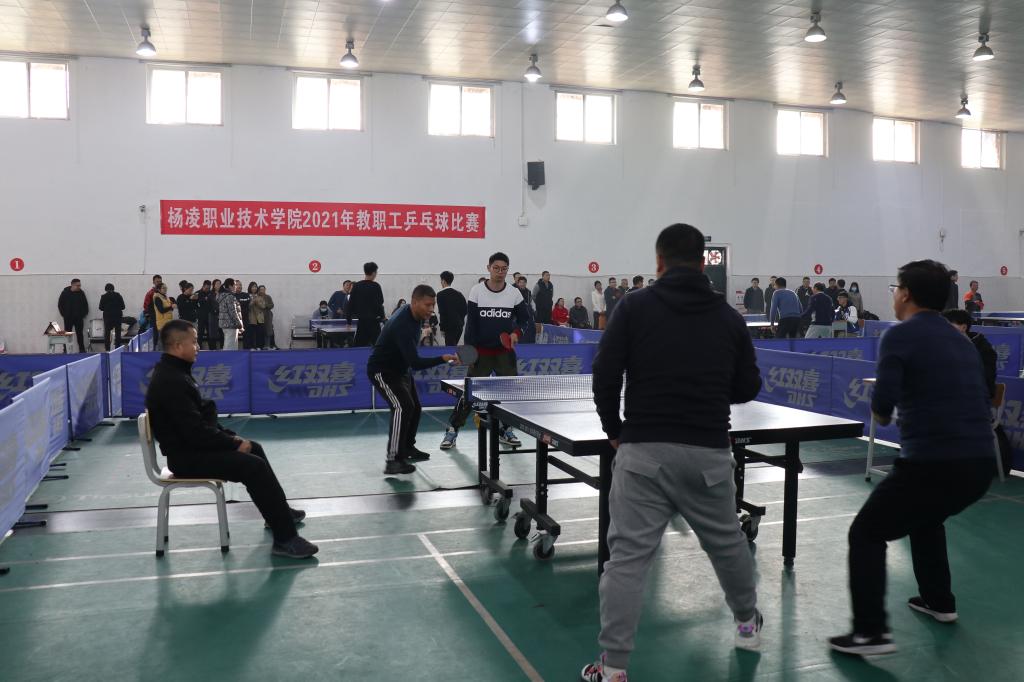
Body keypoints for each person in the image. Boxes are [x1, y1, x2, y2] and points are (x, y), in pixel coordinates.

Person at [584, 223, 763, 682]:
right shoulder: (729, 318)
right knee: (728, 545)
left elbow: (605, 373)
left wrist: (614, 430)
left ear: (658, 262)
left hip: (643, 453)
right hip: (708, 454)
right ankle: (747, 625)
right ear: (703, 263)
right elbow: (748, 386)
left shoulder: (634, 306)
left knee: (627, 561)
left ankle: (614, 668)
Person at [829, 260, 994, 655]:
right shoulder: (962, 340)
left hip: (933, 462)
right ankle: (939, 601)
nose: (894, 295)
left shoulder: (900, 335)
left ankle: (870, 633)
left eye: (896, 288)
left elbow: (883, 408)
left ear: (905, 294)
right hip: (980, 464)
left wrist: (886, 408)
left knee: (866, 533)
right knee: (927, 517)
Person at [145, 320, 317, 559]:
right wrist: (233, 443)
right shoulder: (170, 381)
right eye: (193, 342)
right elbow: (196, 432)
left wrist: (231, 437)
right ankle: (285, 539)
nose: (198, 347)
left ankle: (279, 514)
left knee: (254, 448)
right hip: (186, 458)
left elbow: (199, 424)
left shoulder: (176, 373)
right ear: (177, 346)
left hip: (190, 449)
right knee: (254, 467)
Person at [440, 252, 531, 451]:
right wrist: (469, 354)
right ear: (488, 268)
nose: (500, 272)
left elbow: (525, 320)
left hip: (504, 353)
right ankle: (452, 430)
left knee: (509, 395)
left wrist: (516, 333)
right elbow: (471, 325)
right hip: (481, 353)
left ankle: (506, 430)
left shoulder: (514, 293)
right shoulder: (477, 291)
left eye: (504, 269)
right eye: (496, 268)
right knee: (469, 395)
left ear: (508, 270)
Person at [368, 286, 458, 475]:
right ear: (415, 302)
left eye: (433, 305)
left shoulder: (414, 316)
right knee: (402, 407)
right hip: (383, 371)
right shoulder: (402, 325)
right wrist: (442, 358)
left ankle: (407, 447)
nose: (431, 309)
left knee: (414, 407)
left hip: (401, 369)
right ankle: (393, 460)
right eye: (427, 305)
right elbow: (416, 363)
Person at [941, 309, 996, 399]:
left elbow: (984, 382)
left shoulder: (983, 349)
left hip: (976, 398)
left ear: (963, 327)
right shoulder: (945, 347)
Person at [345, 262, 386, 347]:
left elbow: (350, 304)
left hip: (362, 323)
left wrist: (349, 321)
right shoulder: (376, 286)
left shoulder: (357, 286)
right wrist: (383, 317)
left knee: (359, 347)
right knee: (378, 347)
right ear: (374, 273)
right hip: (374, 323)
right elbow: (380, 303)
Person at [57, 278, 89, 352]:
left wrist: (83, 314)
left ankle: (82, 350)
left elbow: (85, 304)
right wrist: (64, 314)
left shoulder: (81, 293)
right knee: (67, 334)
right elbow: (60, 304)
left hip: (79, 318)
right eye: (77, 285)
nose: (79, 287)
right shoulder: (65, 293)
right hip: (68, 318)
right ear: (72, 285)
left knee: (80, 334)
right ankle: (65, 350)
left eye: (80, 285)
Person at [436, 271, 468, 346]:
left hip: (449, 327)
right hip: (459, 326)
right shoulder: (459, 294)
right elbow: (465, 310)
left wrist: (442, 328)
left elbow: (442, 312)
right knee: (453, 348)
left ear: (443, 281)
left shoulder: (440, 294)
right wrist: (460, 321)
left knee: (449, 349)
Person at [218, 278, 244, 351]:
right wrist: (239, 324)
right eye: (235, 285)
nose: (236, 286)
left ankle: (226, 357)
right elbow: (233, 312)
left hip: (224, 324)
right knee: (231, 346)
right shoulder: (230, 296)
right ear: (230, 286)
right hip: (231, 324)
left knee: (227, 344)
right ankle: (228, 358)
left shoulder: (221, 295)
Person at [98, 283, 126, 350]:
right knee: (118, 333)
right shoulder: (118, 295)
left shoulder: (103, 297)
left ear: (106, 289)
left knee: (107, 334)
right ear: (113, 288)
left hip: (108, 317)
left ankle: (107, 349)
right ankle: (117, 348)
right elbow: (123, 307)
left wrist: (107, 309)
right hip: (117, 316)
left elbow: (100, 307)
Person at [152, 283, 175, 349]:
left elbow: (169, 308)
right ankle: (159, 353)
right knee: (162, 340)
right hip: (162, 322)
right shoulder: (157, 297)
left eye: (166, 288)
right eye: (163, 288)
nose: (165, 289)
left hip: (168, 321)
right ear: (159, 289)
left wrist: (172, 306)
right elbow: (161, 310)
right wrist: (171, 307)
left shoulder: (165, 297)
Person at [515, 276, 537, 343]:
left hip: (527, 312)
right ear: (518, 283)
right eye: (520, 282)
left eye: (523, 282)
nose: (522, 284)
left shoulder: (528, 292)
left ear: (526, 283)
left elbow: (530, 303)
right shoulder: (514, 291)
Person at [249, 285, 268, 350]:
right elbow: (248, 306)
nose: (254, 288)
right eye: (252, 287)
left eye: (255, 287)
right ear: (250, 288)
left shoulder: (260, 297)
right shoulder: (248, 296)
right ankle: (252, 346)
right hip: (251, 317)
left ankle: (259, 346)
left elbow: (263, 306)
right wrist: (252, 301)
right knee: (252, 333)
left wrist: (257, 301)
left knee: (259, 333)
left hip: (259, 317)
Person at [238, 282, 256, 349]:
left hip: (245, 319)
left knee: (247, 336)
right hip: (236, 319)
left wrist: (252, 301)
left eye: (240, 285)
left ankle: (247, 350)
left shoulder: (245, 295)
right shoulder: (232, 295)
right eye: (237, 285)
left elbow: (248, 305)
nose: (239, 286)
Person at [206, 279, 224, 350]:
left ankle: (222, 348)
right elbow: (208, 306)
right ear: (213, 285)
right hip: (213, 316)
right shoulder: (210, 294)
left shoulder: (223, 294)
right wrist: (215, 311)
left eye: (220, 283)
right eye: (217, 284)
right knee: (213, 334)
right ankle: (213, 349)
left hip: (222, 316)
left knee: (222, 333)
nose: (219, 285)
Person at [258, 285, 277, 349]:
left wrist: (265, 305)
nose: (262, 291)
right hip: (259, 316)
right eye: (261, 289)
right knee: (261, 331)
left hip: (268, 316)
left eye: (263, 289)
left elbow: (272, 305)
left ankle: (268, 345)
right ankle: (261, 346)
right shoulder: (257, 297)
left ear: (265, 290)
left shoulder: (268, 297)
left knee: (268, 331)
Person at [195, 280, 212, 348]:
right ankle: (199, 348)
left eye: (209, 288)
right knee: (200, 333)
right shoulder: (197, 293)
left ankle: (211, 349)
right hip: (200, 317)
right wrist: (204, 299)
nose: (207, 289)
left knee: (210, 334)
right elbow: (195, 304)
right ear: (203, 286)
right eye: (206, 288)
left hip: (210, 316)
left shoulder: (211, 293)